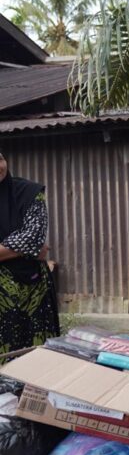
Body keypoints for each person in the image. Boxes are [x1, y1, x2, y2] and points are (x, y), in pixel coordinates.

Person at [0, 149, 60, 359]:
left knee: (36, 360)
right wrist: (26, 251)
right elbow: (32, 245)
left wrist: (31, 247)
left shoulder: (29, 192)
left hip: (33, 291)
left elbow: (33, 236)